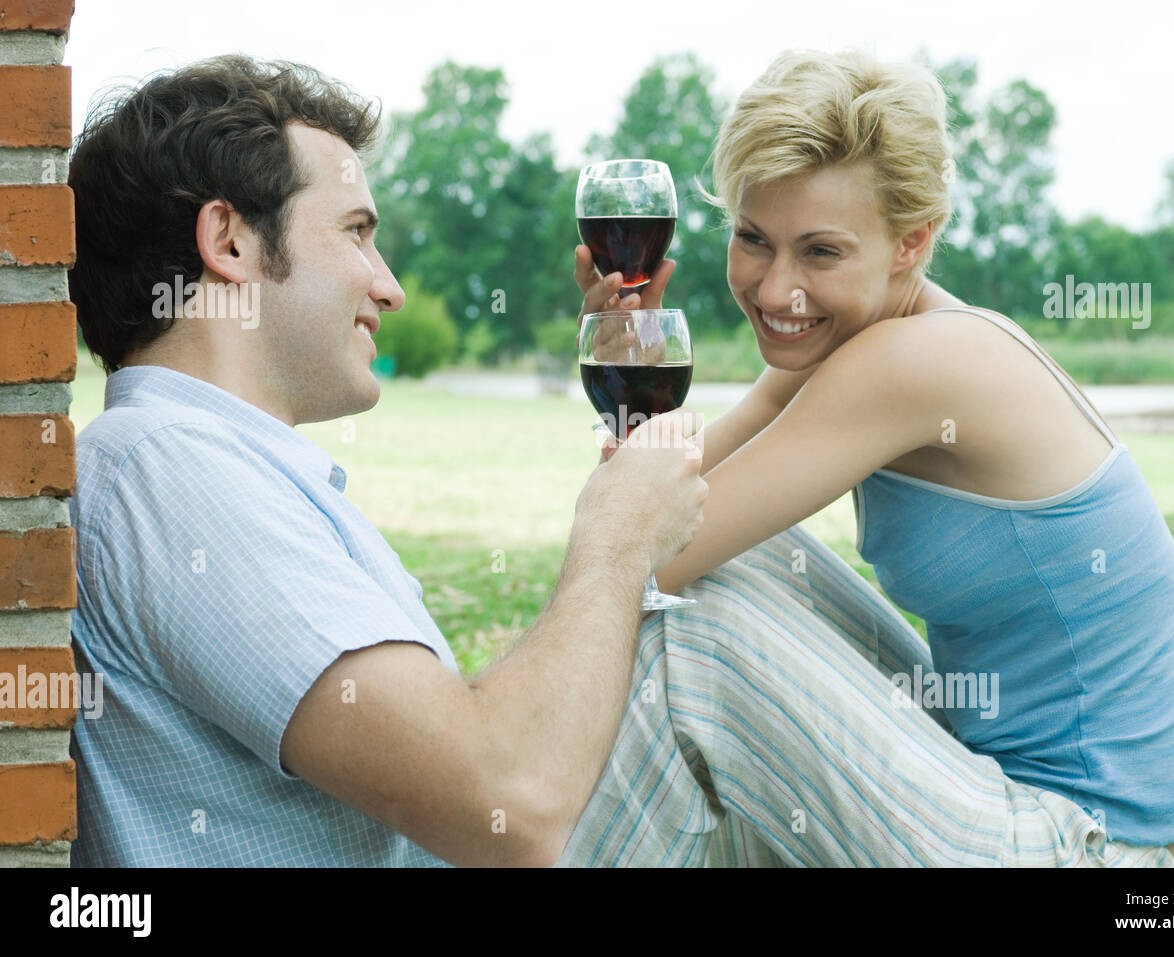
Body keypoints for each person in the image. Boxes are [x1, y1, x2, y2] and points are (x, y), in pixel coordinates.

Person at [566, 48, 1174, 866]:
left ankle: (519, 812)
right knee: (734, 557)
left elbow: (647, 557)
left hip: (1085, 849)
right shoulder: (871, 345)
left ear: (912, 242)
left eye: (821, 252)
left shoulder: (911, 364)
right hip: (992, 798)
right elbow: (655, 508)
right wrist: (637, 361)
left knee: (703, 625)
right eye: (753, 239)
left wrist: (624, 547)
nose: (776, 290)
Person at [66, 54, 708, 867]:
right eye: (357, 233)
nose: (390, 286)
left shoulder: (201, 465)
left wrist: (630, 492)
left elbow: (470, 752)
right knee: (717, 646)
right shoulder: (171, 475)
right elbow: (510, 801)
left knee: (717, 627)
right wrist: (617, 540)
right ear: (227, 240)